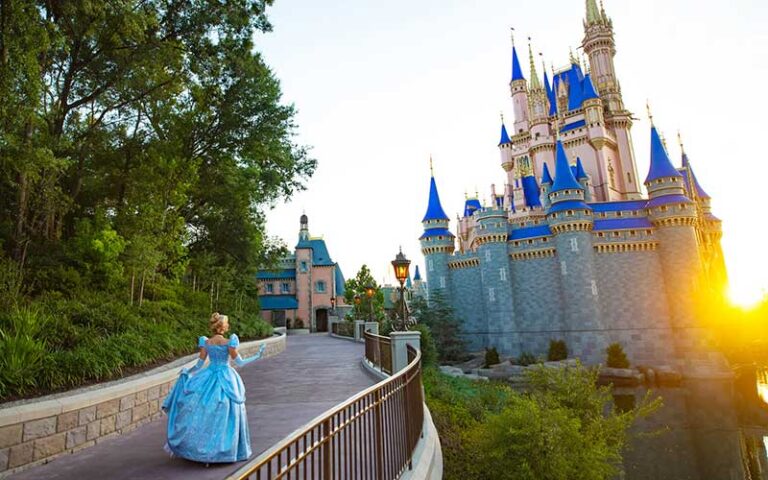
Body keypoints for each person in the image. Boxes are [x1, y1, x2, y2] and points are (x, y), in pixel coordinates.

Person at [162, 312, 267, 463]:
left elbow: (199, 365)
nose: (228, 326)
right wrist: (258, 355)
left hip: (208, 376)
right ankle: (223, 450)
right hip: (227, 378)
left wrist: (187, 371)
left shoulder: (206, 342)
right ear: (222, 326)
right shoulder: (229, 342)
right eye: (227, 323)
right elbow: (241, 362)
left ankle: (199, 449)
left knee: (203, 412)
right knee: (226, 412)